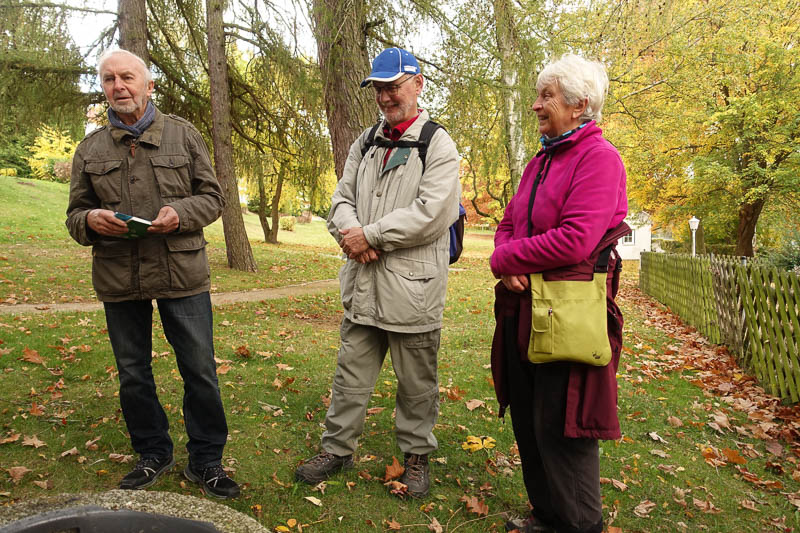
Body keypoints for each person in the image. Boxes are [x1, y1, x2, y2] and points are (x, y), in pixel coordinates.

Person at [65, 49, 239, 499]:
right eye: (108, 79)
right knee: (133, 373)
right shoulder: (90, 149)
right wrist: (90, 222)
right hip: (119, 278)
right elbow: (74, 216)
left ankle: (207, 460)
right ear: (102, 88)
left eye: (127, 77)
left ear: (149, 85)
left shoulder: (184, 136)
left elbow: (213, 198)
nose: (118, 86)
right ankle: (152, 453)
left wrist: (178, 215)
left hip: (182, 274)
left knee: (199, 370)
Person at [294, 47, 461, 499]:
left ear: (418, 84)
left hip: (413, 291)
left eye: (394, 86)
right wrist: (352, 232)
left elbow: (432, 213)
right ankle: (337, 449)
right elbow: (339, 200)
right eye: (379, 89)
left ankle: (416, 459)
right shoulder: (365, 142)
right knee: (349, 377)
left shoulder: (438, 144)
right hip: (364, 286)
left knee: (416, 385)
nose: (386, 97)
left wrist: (371, 235)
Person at [489, 54, 629, 532]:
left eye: (547, 95)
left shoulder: (599, 159)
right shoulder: (542, 160)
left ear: (579, 104)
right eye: (538, 94)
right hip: (524, 311)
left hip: (569, 316)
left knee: (563, 427)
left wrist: (507, 260)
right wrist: (508, 264)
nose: (536, 105)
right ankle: (547, 516)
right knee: (530, 421)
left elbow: (576, 240)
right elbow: (508, 223)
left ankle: (579, 525)